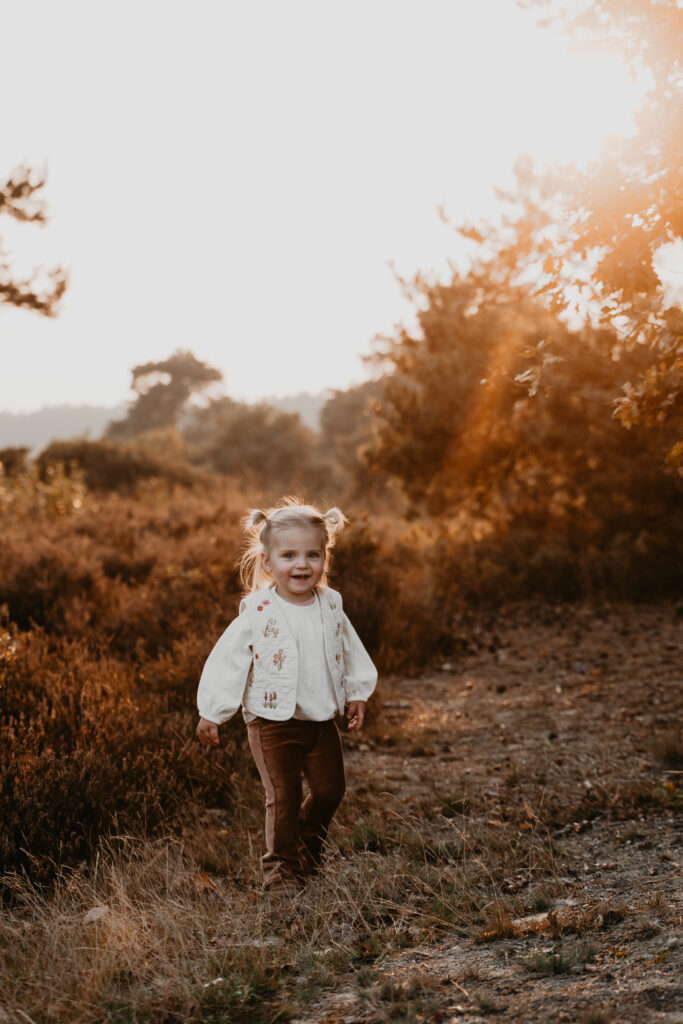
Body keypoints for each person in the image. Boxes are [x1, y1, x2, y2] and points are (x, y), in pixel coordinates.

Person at [196, 498, 378, 893]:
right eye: (289, 555)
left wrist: (357, 693)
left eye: (313, 554)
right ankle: (279, 872)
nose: (302, 565)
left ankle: (307, 851)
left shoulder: (330, 605)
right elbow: (228, 660)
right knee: (283, 797)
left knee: (331, 791)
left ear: (325, 558)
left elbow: (349, 648)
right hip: (271, 723)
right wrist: (212, 711)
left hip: (321, 721)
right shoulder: (259, 610)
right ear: (267, 562)